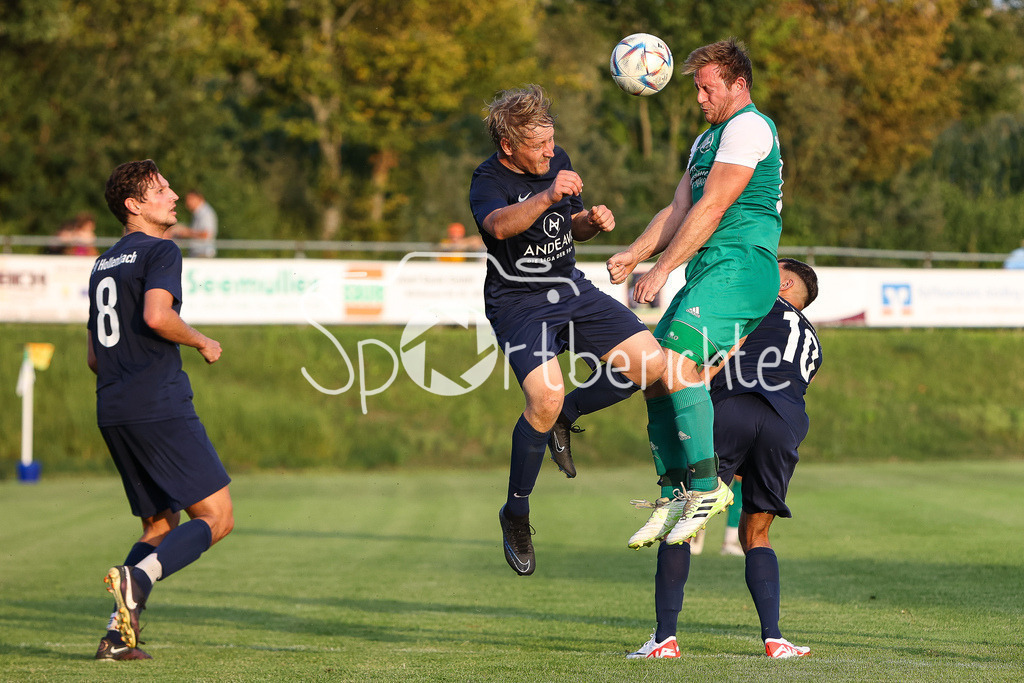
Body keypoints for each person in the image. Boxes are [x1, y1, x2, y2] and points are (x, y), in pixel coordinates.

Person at [469, 84, 666, 576]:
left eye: (552, 141)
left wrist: (590, 223)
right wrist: (547, 194)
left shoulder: (559, 161)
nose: (550, 152)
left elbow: (567, 224)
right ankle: (516, 511)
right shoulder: (486, 178)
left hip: (571, 289)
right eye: (538, 146)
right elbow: (499, 227)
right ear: (508, 145)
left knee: (652, 366)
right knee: (544, 398)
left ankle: (568, 415)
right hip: (518, 302)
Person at [606, 38, 785, 549]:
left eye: (707, 89)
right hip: (710, 272)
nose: (700, 99)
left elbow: (713, 208)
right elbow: (680, 208)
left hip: (741, 268)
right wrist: (637, 254)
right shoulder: (706, 141)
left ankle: (708, 488)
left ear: (739, 85)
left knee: (679, 366)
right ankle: (674, 491)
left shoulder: (749, 127)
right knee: (652, 371)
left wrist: (660, 272)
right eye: (698, 90)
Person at [628, 258, 822, 660]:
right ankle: (775, 640)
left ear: (782, 283)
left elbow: (713, 358)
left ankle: (665, 640)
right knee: (757, 535)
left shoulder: (750, 303)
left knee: (680, 518)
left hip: (731, 408)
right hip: (785, 425)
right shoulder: (813, 339)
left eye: (770, 268)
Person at [87, 160, 233, 660]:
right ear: (134, 206)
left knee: (157, 527)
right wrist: (201, 341)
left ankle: (115, 637)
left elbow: (93, 355)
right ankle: (138, 578)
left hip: (114, 407)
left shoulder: (102, 263)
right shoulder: (161, 250)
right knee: (217, 516)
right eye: (161, 189)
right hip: (157, 402)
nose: (172, 195)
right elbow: (157, 314)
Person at [168, 190, 218, 257]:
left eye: (190, 199)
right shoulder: (198, 213)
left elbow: (206, 235)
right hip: (198, 253)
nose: (188, 203)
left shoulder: (206, 213)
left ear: (199, 198)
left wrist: (185, 232)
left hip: (202, 253)